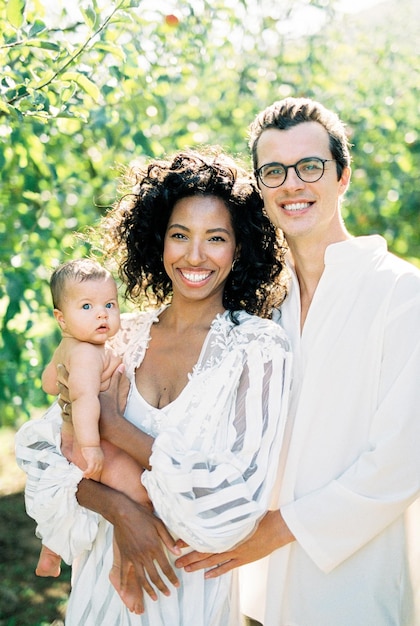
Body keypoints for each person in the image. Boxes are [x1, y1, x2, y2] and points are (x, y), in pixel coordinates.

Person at [15, 148, 292, 624]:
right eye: (179, 235)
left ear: (240, 247)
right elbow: (44, 456)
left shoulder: (259, 347)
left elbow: (233, 504)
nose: (195, 255)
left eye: (216, 238)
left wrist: (114, 426)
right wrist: (123, 513)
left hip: (190, 594)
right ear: (157, 241)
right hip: (100, 588)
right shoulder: (118, 337)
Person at [174, 98, 420, 625]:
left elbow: (403, 460)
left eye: (310, 166)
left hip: (355, 577)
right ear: (260, 190)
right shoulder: (259, 302)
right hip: (251, 579)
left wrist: (279, 529)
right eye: (273, 171)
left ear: (342, 175)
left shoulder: (401, 292)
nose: (293, 184)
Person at [35, 258, 151, 592]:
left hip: (70, 444)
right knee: (139, 498)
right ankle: (120, 567)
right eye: (86, 306)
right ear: (61, 318)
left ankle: (51, 551)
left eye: (109, 305)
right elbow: (86, 400)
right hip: (92, 445)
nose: (102, 313)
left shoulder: (69, 347)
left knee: (71, 499)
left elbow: (48, 383)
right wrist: (91, 448)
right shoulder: (87, 353)